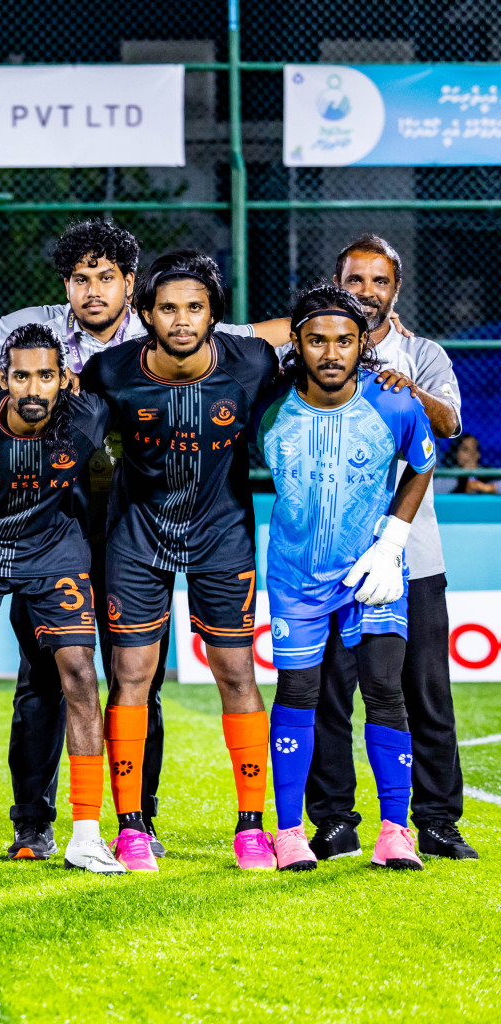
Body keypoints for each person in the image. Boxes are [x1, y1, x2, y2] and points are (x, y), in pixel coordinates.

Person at [80, 250, 278, 872]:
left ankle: (252, 826)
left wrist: (384, 330)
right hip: (137, 538)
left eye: (196, 307)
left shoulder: (251, 363)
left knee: (237, 675)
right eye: (169, 308)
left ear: (216, 315)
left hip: (223, 538)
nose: (183, 319)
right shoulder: (108, 371)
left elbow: (305, 333)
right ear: (145, 314)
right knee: (132, 677)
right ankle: (132, 826)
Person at [290, 236, 478, 862]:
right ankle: (334, 822)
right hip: (325, 562)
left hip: (412, 556)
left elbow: (449, 422)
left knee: (423, 690)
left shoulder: (420, 354)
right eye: (356, 279)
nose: (367, 291)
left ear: (396, 289)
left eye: (379, 281)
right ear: (337, 281)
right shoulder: (319, 349)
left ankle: (436, 822)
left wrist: (403, 388)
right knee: (325, 697)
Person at [257, 284, 437, 871]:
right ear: (298, 344)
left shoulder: (394, 404)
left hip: (374, 573)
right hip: (294, 575)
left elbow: (424, 463)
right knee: (298, 695)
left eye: (343, 340)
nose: (330, 353)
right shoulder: (269, 407)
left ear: (363, 344)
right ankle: (288, 833)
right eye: (316, 340)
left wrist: (392, 542)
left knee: (386, 691)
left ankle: (394, 832)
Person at [0, 324, 124, 875]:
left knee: (81, 676)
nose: (35, 388)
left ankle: (87, 836)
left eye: (47, 375)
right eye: (22, 376)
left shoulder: (88, 416)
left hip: (52, 548)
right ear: (3, 380)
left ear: (65, 379)